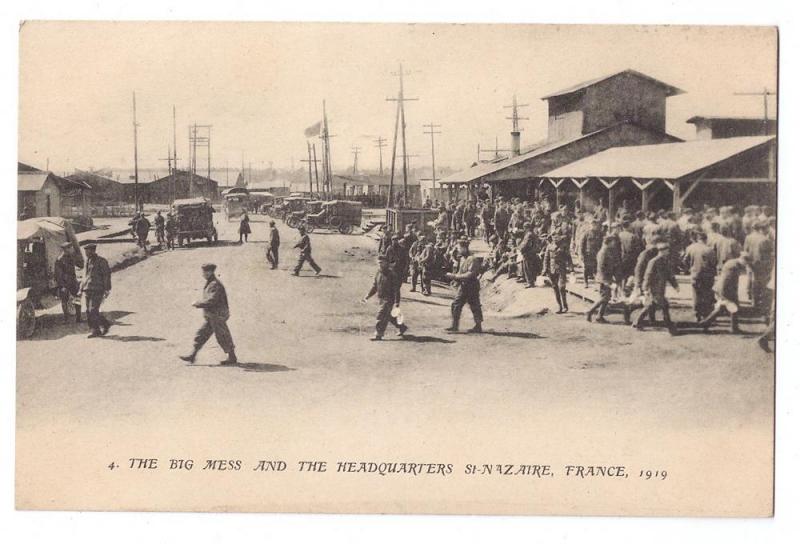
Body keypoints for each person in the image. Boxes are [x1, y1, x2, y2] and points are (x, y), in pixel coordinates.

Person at [180, 263, 237, 364]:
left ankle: (232, 357)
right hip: (212, 315)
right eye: (203, 272)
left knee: (222, 335)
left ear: (210, 272)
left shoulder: (214, 284)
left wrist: (198, 303)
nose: (203, 274)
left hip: (217, 315)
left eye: (205, 272)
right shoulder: (211, 283)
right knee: (202, 334)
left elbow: (212, 300)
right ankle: (193, 355)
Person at [698, 253, 752, 334]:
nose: (746, 265)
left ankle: (706, 323)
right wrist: (726, 295)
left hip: (723, 288)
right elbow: (727, 281)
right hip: (725, 289)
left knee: (724, 308)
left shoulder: (733, 262)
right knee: (733, 307)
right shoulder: (734, 266)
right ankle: (707, 323)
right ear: (743, 259)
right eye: (746, 262)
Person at [632, 242, 678, 334]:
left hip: (660, 288)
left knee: (651, 306)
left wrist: (675, 285)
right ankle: (669, 325)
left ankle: (637, 322)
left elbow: (669, 275)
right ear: (662, 251)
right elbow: (648, 275)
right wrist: (645, 288)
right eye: (667, 250)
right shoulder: (654, 261)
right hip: (654, 288)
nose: (668, 252)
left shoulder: (664, 261)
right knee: (663, 305)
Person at [362, 255, 408, 341]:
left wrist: (397, 302)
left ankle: (378, 334)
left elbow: (396, 290)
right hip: (381, 298)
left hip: (388, 299)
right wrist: (368, 296)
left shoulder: (392, 274)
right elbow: (375, 286)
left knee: (381, 315)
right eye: (379, 263)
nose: (380, 265)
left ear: (387, 263)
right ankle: (402, 327)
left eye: (382, 263)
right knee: (388, 316)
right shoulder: (378, 273)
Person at [445, 238, 483, 333]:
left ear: (465, 248)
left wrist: (454, 276)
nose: (458, 250)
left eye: (459, 248)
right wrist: (455, 279)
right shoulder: (462, 259)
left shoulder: (472, 259)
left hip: (472, 285)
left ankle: (478, 326)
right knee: (456, 304)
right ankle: (454, 325)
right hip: (463, 285)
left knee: (475, 306)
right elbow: (460, 272)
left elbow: (470, 274)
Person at [683, 230, 717, 321]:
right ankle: (706, 315)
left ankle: (697, 314)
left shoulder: (690, 248)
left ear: (698, 239)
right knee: (706, 294)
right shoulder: (710, 250)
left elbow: (684, 261)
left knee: (696, 295)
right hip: (707, 276)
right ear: (705, 239)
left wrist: (689, 268)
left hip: (695, 274)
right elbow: (714, 263)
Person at [80, 243, 112, 338]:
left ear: (93, 251)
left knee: (93, 310)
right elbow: (85, 276)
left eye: (88, 251)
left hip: (98, 289)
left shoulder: (101, 261)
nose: (86, 253)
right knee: (89, 312)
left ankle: (102, 326)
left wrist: (107, 289)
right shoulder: (87, 261)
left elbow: (106, 275)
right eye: (85, 251)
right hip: (87, 289)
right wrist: (81, 288)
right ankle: (97, 329)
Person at [586, 235, 620, 323]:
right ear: (608, 242)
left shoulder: (607, 251)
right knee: (604, 297)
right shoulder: (603, 252)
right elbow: (601, 268)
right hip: (603, 278)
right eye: (613, 242)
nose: (614, 243)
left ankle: (599, 316)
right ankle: (590, 311)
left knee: (606, 297)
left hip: (607, 277)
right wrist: (606, 281)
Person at [542, 233, 571, 314]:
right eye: (553, 237)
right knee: (555, 288)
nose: (555, 238)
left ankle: (565, 306)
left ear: (559, 237)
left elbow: (569, 257)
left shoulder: (564, 246)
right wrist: (544, 269)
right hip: (552, 270)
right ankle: (560, 306)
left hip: (562, 269)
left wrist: (571, 267)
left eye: (557, 237)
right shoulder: (549, 246)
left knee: (562, 287)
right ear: (552, 238)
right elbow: (546, 258)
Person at [54, 242, 82, 324]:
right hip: (64, 282)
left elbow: (78, 266)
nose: (72, 249)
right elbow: (58, 274)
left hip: (73, 280)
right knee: (64, 301)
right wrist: (62, 285)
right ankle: (66, 319)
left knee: (77, 298)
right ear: (65, 249)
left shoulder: (71, 257)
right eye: (70, 248)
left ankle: (79, 318)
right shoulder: (60, 259)